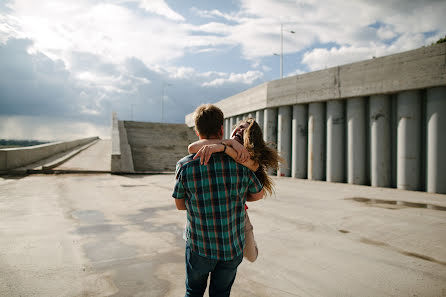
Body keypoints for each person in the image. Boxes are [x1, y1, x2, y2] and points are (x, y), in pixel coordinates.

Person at [172, 104, 264, 297]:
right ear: (222, 129)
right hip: (232, 247)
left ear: (197, 131)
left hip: (200, 245)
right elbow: (257, 194)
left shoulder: (185, 165)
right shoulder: (241, 164)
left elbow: (180, 205)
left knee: (193, 292)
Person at [188, 117, 282, 262]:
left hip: (239, 212)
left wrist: (225, 148)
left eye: (244, 129)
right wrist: (228, 144)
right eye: (238, 127)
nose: (239, 130)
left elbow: (254, 169)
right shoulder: (224, 143)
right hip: (219, 213)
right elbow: (192, 148)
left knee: (251, 256)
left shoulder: (249, 157)